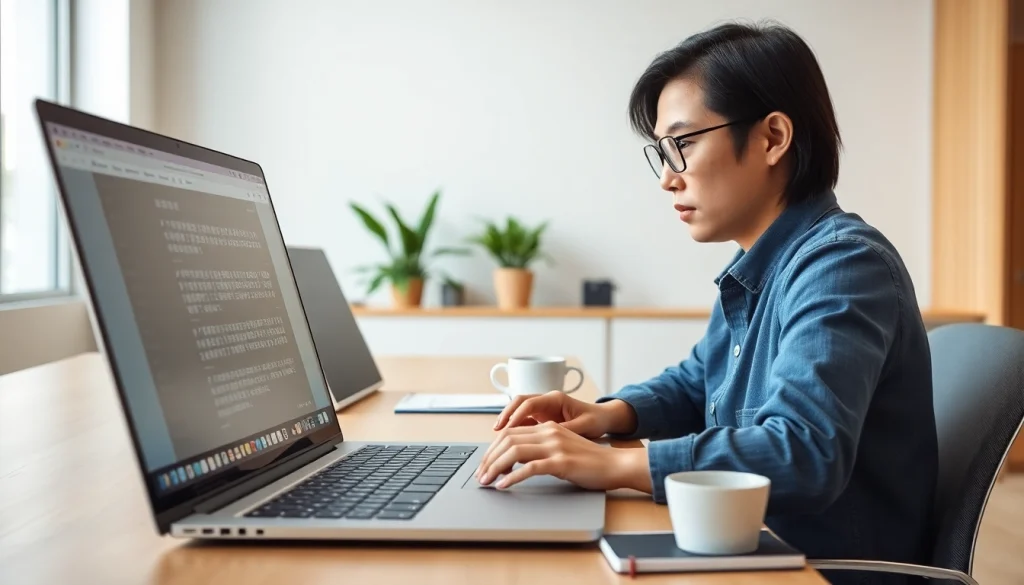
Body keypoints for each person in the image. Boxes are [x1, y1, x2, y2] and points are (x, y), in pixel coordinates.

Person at [474, 20, 937, 585]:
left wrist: (620, 463)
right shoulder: (758, 268)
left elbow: (804, 452)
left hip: (819, 567)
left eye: (684, 145)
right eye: (662, 153)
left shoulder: (842, 267)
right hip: (749, 540)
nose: (668, 178)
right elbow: (698, 382)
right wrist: (607, 415)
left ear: (772, 138)